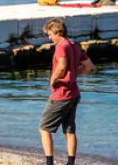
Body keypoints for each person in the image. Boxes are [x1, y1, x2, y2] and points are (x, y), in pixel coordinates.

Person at [39, 17, 94, 165]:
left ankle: (49, 162)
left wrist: (53, 80)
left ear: (57, 31)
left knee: (44, 128)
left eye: (50, 34)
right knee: (69, 130)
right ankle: (71, 162)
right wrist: (74, 74)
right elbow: (89, 66)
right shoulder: (75, 45)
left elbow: (62, 65)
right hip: (74, 93)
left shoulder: (61, 46)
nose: (49, 37)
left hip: (61, 94)